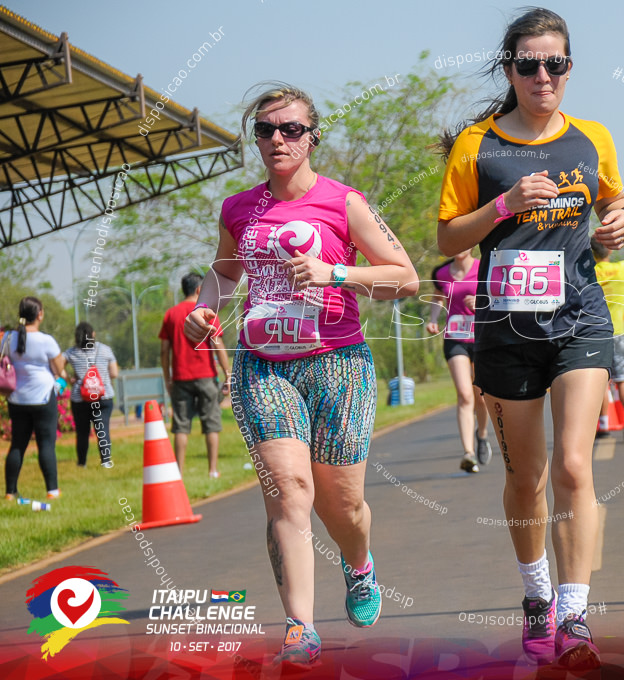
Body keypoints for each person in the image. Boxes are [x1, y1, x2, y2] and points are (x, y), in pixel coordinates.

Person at [183, 83, 417, 668]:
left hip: (338, 362)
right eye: (265, 130)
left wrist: (334, 272)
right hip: (263, 365)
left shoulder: (345, 203)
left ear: (313, 137)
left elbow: (405, 277)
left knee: (343, 506)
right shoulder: (239, 209)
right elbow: (222, 275)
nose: (277, 139)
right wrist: (202, 309)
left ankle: (358, 565)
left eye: (290, 129)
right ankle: (299, 626)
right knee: (288, 491)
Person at [436, 8, 624, 669]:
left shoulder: (593, 139)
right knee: (529, 477)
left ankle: (575, 614)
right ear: (510, 69)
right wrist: (504, 205)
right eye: (528, 64)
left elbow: (615, 203)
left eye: (555, 63)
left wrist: (619, 221)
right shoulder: (476, 146)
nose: (542, 75)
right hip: (505, 326)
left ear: (569, 69)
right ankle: (536, 595)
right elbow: (445, 240)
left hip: (579, 318)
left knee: (575, 467)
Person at [160, 272, 232, 477]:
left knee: (181, 426)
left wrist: (168, 379)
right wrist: (228, 376)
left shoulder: (171, 314)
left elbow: (164, 350)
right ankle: (213, 470)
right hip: (206, 376)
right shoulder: (206, 313)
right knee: (211, 423)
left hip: (181, 377)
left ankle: (179, 472)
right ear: (200, 290)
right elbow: (218, 345)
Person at [426, 250, 492, 473]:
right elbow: (438, 297)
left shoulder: (484, 268)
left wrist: (480, 302)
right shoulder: (442, 273)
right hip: (455, 338)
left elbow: (498, 297)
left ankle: (481, 435)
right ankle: (468, 453)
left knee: (481, 397)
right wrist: (433, 318)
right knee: (464, 394)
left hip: (482, 338)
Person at [4, 297, 64, 500]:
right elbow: (59, 369)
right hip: (43, 397)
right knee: (46, 444)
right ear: (39, 314)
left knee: (17, 445)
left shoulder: (8, 339)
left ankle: (10, 492)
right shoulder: (46, 340)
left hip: (17, 399)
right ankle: (52, 491)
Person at [591, 237, 624, 439]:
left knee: (602, 383)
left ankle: (603, 425)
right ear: (609, 251)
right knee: (622, 379)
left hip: (595, 333)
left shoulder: (590, 273)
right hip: (618, 332)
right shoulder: (622, 269)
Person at [62, 323, 118, 467]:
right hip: (103, 397)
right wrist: (102, 381)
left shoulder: (71, 352)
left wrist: (69, 378)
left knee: (82, 432)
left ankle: (82, 463)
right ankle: (106, 461)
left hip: (80, 398)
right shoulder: (105, 350)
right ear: (93, 334)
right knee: (102, 429)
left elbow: (56, 366)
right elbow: (114, 373)